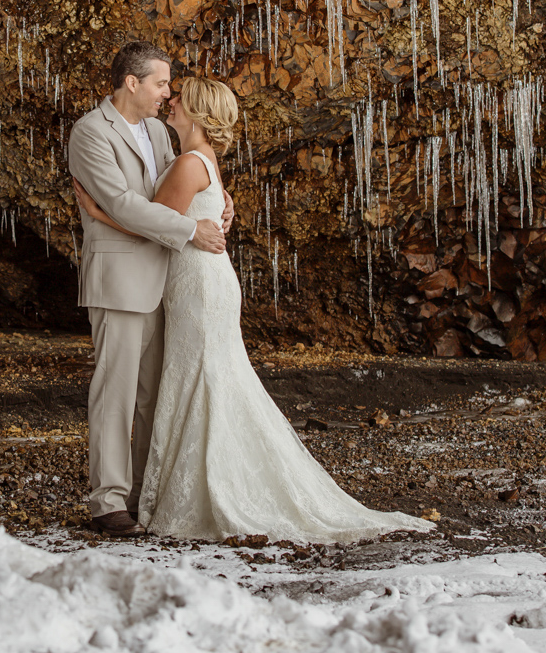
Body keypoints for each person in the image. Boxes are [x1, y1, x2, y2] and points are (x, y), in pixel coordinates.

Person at [75, 76, 434, 543]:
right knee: (206, 380)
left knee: (201, 379)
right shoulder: (192, 158)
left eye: (178, 97)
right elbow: (172, 211)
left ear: (199, 114)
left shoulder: (186, 162)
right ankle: (190, 483)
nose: (171, 100)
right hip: (198, 280)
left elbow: (151, 224)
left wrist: (98, 214)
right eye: (167, 89)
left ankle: (204, 487)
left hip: (198, 285)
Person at [65, 41, 233, 538]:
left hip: (173, 282)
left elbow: (181, 182)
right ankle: (108, 502)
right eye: (161, 83)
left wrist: (221, 199)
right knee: (114, 393)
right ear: (132, 82)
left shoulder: (160, 130)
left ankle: (144, 494)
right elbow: (120, 202)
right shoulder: (90, 132)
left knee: (155, 397)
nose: (168, 92)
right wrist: (190, 230)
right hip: (121, 279)